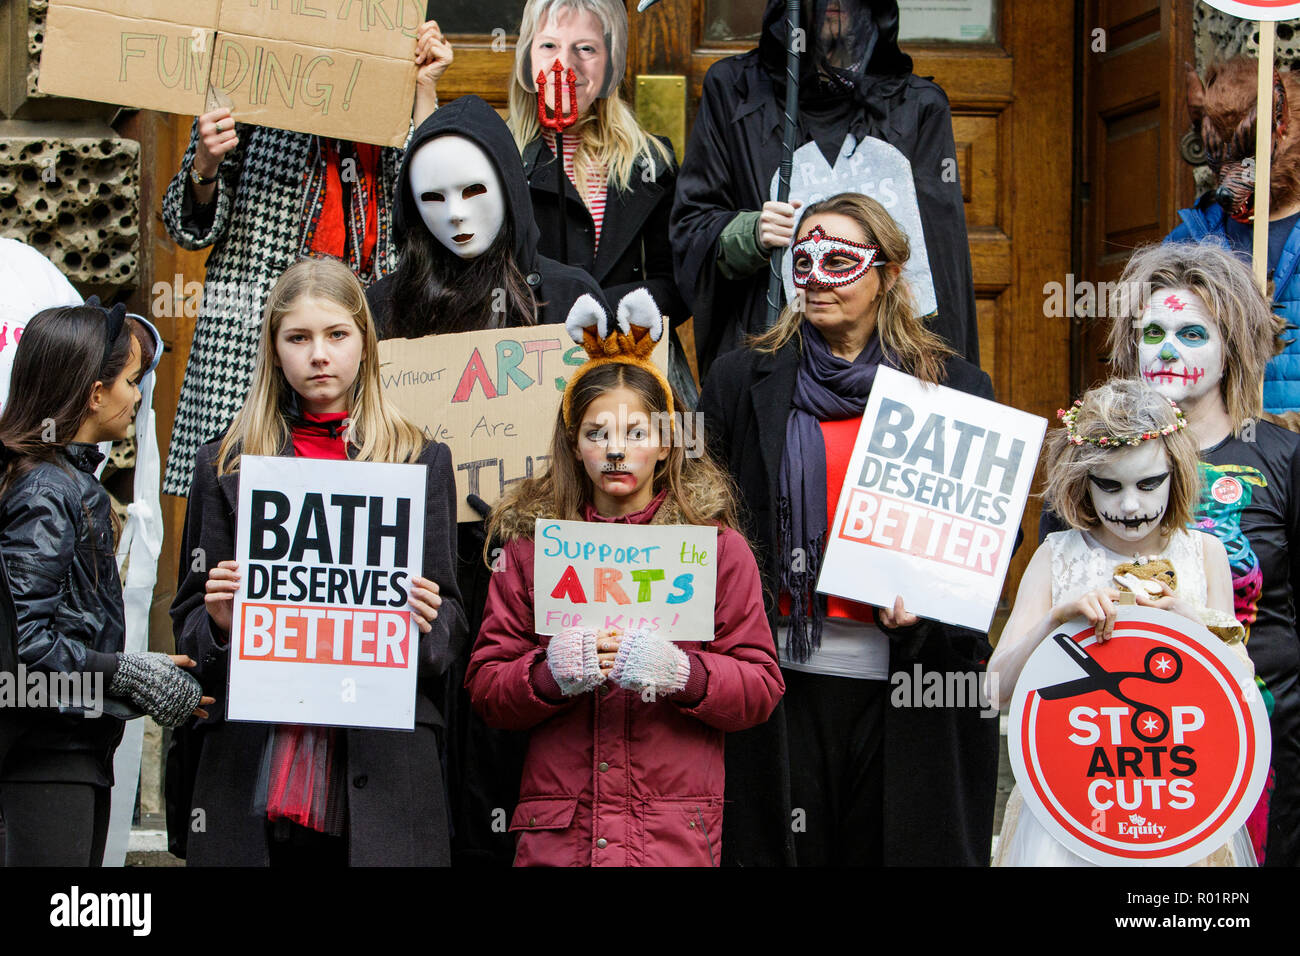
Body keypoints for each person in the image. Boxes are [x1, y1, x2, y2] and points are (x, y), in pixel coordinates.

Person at [698, 192, 998, 865]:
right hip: (779, 684)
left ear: (889, 274)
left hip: (910, 685)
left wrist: (929, 602)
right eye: (801, 260)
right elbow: (705, 520)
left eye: (838, 260)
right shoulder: (739, 380)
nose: (814, 277)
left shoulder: (954, 388)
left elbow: (975, 544)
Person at [366, 92, 605, 867]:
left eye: (473, 190)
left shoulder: (567, 298)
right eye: (432, 198)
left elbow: (627, 428)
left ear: (508, 182)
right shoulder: (382, 307)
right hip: (422, 585)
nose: (456, 215)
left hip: (547, 579)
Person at [465, 288, 784, 866]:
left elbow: (761, 689)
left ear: (666, 444)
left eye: (636, 434)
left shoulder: (717, 550)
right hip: (561, 838)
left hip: (669, 839)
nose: (616, 451)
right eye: (596, 434)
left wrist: (685, 673)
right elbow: (487, 689)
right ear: (574, 445)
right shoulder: (532, 549)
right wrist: (549, 673)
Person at [168, 258, 466, 866]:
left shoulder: (419, 461)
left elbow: (452, 632)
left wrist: (426, 622)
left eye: (336, 335)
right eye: (298, 338)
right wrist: (220, 624)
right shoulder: (225, 463)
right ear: (274, 350)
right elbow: (189, 627)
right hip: (253, 761)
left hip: (381, 767)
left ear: (365, 343)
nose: (318, 355)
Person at [160, 20, 452, 497]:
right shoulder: (259, 53)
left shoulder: (391, 54)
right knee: (239, 497)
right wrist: (205, 165)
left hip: (366, 325)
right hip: (254, 329)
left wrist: (423, 91)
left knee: (371, 492)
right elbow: (188, 228)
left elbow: (428, 201)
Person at [989, 378, 1256, 866]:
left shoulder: (1205, 554)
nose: (1130, 506)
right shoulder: (1057, 556)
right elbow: (994, 691)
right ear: (1082, 482)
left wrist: (1194, 626)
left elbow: (1242, 694)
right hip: (1072, 807)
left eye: (1148, 483)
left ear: (1177, 474)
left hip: (1175, 804)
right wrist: (1054, 621)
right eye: (1109, 486)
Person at [1103, 241, 1300, 866]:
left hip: (1263, 724)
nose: (1167, 350)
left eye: (1192, 333)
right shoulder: (1097, 457)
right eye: (1152, 331)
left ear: (1232, 346)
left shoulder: (1280, 457)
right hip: (1128, 735)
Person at [0, 302, 207, 866]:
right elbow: (26, 647)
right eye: (132, 382)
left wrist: (135, 678)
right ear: (95, 394)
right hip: (46, 761)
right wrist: (125, 672)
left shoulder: (65, 482)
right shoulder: (46, 492)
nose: (138, 397)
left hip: (71, 749)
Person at [671, 0, 978, 378]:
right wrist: (751, 233)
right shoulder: (735, 91)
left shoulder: (916, 107)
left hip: (888, 364)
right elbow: (691, 230)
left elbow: (940, 265)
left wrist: (948, 386)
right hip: (771, 356)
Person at [507, 0, 695, 402]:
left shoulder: (651, 162)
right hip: (533, 376)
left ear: (611, 64)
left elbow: (677, 281)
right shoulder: (500, 161)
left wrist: (608, 310)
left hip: (633, 371)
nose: (565, 65)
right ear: (526, 58)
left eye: (586, 49)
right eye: (549, 47)